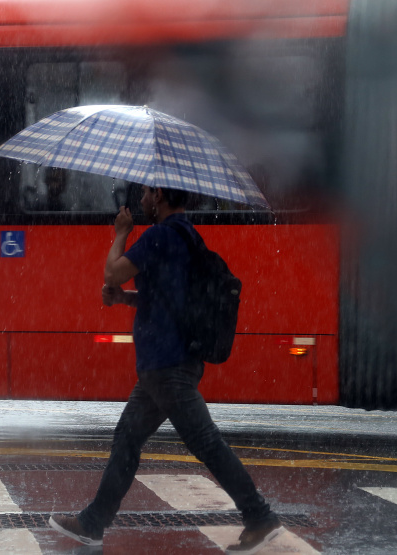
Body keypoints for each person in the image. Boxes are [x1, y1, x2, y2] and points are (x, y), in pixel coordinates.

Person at [48, 185, 284, 554]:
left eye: (144, 193)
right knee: (127, 439)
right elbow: (166, 298)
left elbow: (112, 272)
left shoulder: (159, 235)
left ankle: (260, 516)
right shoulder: (186, 235)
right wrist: (127, 298)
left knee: (206, 444)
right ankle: (93, 524)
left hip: (166, 365)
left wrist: (121, 234)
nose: (139, 200)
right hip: (169, 363)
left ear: (158, 196)